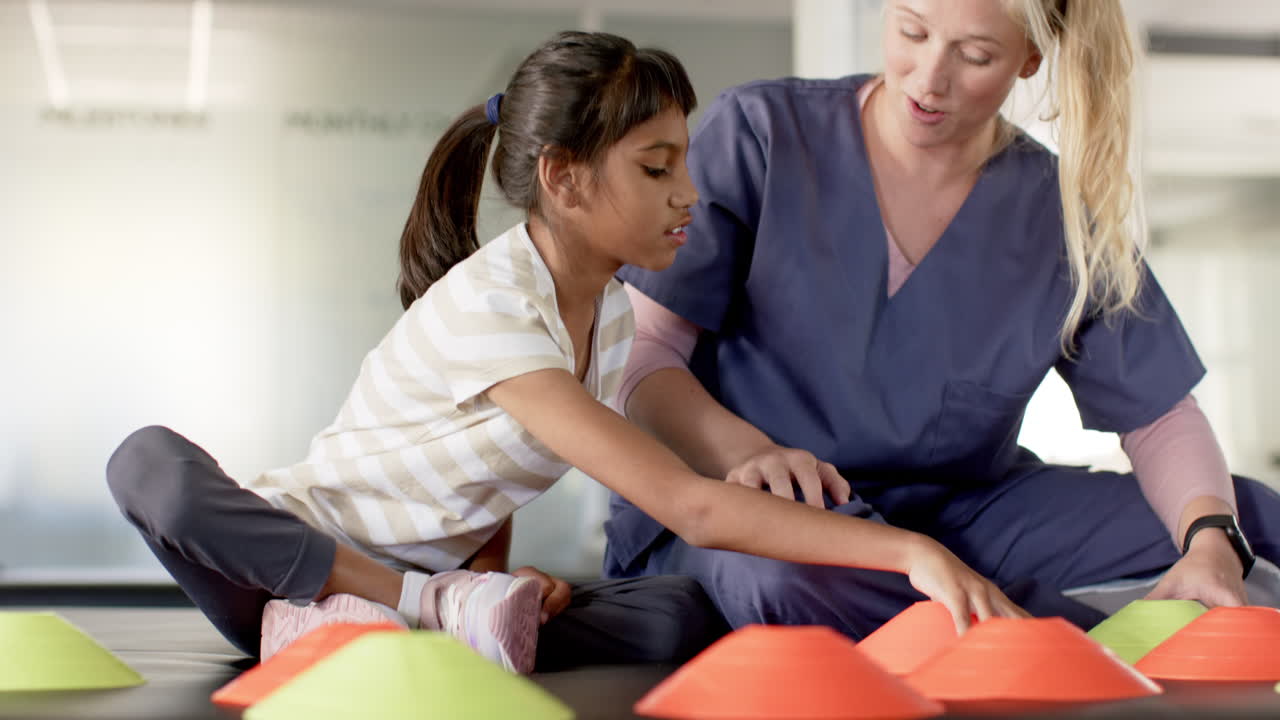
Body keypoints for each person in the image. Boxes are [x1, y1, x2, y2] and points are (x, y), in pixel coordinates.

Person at [106, 30, 1024, 677]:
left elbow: (491, 478)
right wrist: (909, 552)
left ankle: (414, 620)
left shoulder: (610, 312)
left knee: (676, 612)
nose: (688, 193)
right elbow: (690, 507)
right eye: (657, 168)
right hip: (287, 565)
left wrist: (492, 580)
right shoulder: (494, 306)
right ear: (564, 178)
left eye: (683, 163)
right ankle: (404, 612)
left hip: (433, 584)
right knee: (148, 464)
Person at [606, 0, 1280, 639]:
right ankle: (1038, 637)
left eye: (975, 55)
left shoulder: (1055, 209)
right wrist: (746, 453)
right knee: (785, 579)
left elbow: (1158, 415)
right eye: (912, 30)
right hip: (763, 505)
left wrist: (1209, 540)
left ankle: (981, 618)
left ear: (1029, 58)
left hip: (962, 515)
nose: (929, 78)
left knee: (1244, 515)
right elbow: (644, 351)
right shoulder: (762, 133)